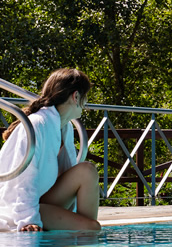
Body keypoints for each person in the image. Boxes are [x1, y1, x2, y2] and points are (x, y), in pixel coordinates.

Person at [0, 68, 101, 232]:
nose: (86, 103)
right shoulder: (36, 124)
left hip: (43, 201)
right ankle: (82, 236)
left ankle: (80, 235)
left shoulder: (65, 127)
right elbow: (23, 178)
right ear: (76, 96)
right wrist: (28, 220)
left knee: (87, 170)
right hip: (18, 208)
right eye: (85, 97)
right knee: (91, 228)